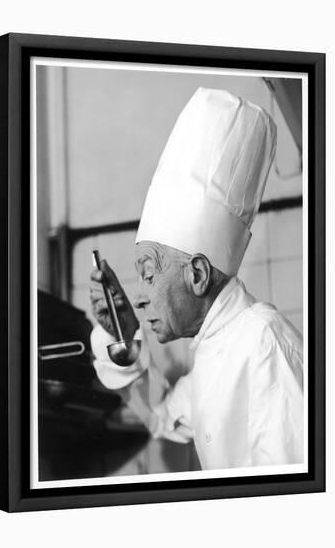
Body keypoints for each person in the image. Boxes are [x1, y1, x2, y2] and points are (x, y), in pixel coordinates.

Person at [89, 87, 304, 470]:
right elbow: (157, 416)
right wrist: (123, 336)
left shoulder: (263, 343)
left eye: (149, 275)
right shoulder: (214, 347)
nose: (139, 299)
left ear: (198, 275)